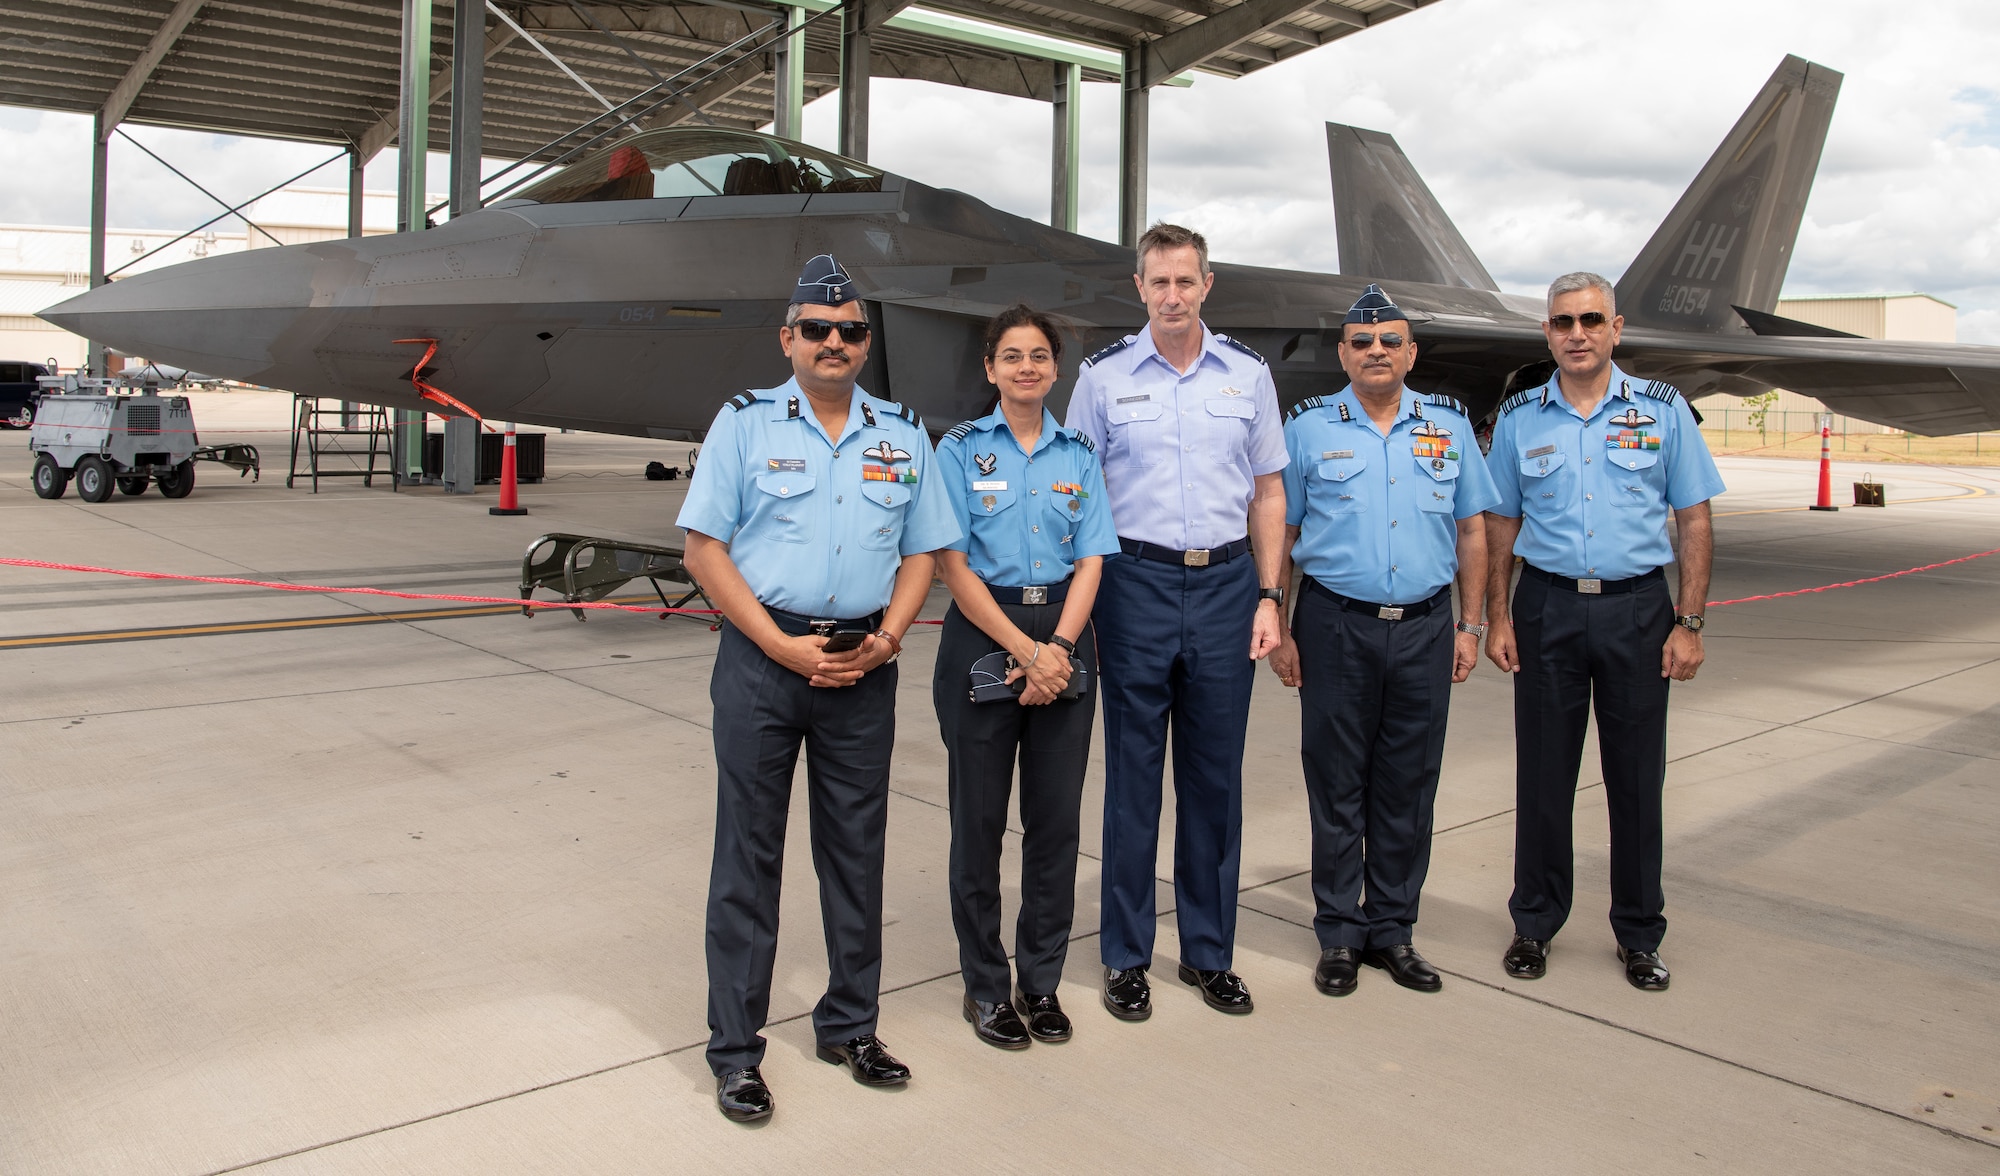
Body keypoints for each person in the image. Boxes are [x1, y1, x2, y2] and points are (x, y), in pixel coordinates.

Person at [677, 254, 960, 1122]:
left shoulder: (902, 432)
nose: (833, 342)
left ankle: (850, 1025)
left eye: (849, 331)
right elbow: (703, 550)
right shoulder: (745, 425)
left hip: (862, 669)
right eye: (816, 328)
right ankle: (735, 1051)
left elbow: (923, 553)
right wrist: (779, 646)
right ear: (788, 338)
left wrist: (883, 640)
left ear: (866, 343)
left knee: (855, 856)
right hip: (766, 664)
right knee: (748, 862)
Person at [1064, 223, 1289, 1020]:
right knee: (1133, 782)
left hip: (1229, 588)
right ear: (1139, 287)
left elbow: (1269, 493)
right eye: (1158, 282)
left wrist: (1270, 596)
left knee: (1214, 782)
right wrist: (1081, 609)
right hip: (1136, 586)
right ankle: (1125, 955)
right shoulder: (1101, 379)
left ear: (1206, 285)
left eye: (1185, 282)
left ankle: (1207, 953)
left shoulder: (1249, 377)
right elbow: (1076, 495)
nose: (1172, 296)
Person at [1482, 271, 1723, 992]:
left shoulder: (1662, 409)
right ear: (1547, 334)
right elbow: (1500, 522)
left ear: (1616, 329)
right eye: (1562, 323)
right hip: (1548, 609)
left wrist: (1689, 621)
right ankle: (1534, 924)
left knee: (1637, 780)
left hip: (1637, 611)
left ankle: (1640, 933)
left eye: (1591, 320)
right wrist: (1498, 613)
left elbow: (1696, 518)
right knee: (1544, 777)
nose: (1577, 334)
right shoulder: (1523, 416)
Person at [1268, 284, 1498, 997]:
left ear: (1411, 352)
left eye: (1389, 341)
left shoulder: (1449, 425)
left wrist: (1471, 624)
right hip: (1334, 624)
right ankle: (1339, 932)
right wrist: (1275, 617)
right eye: (1362, 342)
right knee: (1337, 783)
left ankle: (1393, 929)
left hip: (1427, 625)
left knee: (1408, 784)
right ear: (1343, 352)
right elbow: (1286, 529)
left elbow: (1471, 530)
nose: (1376, 352)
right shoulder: (1307, 427)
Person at [932, 304, 1119, 1049]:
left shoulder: (1078, 454)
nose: (1027, 368)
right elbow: (952, 562)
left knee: (1056, 825)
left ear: (1055, 369)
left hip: (1066, 635)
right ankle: (985, 986)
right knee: (978, 825)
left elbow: (1093, 556)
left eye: (1039, 356)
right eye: (1012, 356)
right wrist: (1024, 648)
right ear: (991, 368)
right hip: (985, 629)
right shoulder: (959, 451)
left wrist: (1060, 648)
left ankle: (1039, 982)